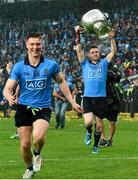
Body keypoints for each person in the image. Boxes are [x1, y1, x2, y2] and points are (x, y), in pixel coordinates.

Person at [3, 32, 82, 179]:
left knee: (38, 137)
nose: (35, 47)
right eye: (32, 44)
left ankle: (37, 154)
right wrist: (9, 97)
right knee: (25, 145)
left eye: (38, 44)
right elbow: (7, 88)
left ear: (42, 45)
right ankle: (29, 169)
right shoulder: (19, 67)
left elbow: (61, 82)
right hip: (23, 108)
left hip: (43, 108)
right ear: (27, 45)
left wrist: (72, 101)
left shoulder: (51, 65)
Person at [75, 25, 117, 154]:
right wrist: (77, 35)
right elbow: (78, 50)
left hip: (101, 98)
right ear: (89, 54)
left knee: (99, 125)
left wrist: (112, 39)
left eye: (97, 52)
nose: (95, 54)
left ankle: (95, 146)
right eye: (92, 52)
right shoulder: (85, 63)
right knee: (88, 122)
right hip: (88, 97)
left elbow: (113, 52)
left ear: (99, 54)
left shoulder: (104, 63)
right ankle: (88, 132)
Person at [98, 63, 123, 147]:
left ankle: (110, 139)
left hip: (112, 97)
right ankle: (103, 139)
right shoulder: (95, 69)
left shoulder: (111, 69)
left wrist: (111, 71)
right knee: (99, 118)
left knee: (112, 120)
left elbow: (117, 78)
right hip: (100, 97)